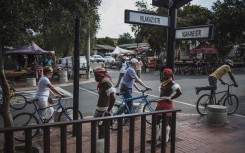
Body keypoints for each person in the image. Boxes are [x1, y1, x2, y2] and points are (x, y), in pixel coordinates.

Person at [147, 68, 182, 143]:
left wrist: (171, 98)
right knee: (155, 121)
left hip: (167, 105)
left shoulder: (172, 83)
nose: (163, 75)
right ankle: (155, 138)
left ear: (170, 75)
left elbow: (179, 92)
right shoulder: (164, 82)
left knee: (165, 123)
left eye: (165, 74)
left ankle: (164, 141)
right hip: (160, 104)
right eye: (163, 74)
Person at [93, 67, 116, 139]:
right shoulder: (102, 83)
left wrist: (108, 111)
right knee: (101, 129)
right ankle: (102, 144)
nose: (95, 78)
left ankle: (102, 147)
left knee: (102, 131)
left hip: (104, 111)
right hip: (100, 110)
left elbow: (113, 98)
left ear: (101, 75)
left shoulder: (107, 84)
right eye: (95, 76)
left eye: (96, 76)